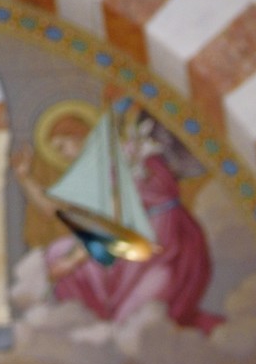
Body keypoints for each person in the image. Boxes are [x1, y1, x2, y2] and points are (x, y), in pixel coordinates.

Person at [15, 111, 221, 335]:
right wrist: (25, 177)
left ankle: (114, 326)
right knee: (56, 252)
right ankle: (98, 322)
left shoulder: (123, 157)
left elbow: (111, 223)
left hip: (163, 241)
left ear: (79, 136)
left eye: (62, 146)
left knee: (135, 317)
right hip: (130, 244)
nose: (62, 155)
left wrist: (72, 261)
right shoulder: (95, 169)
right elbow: (54, 209)